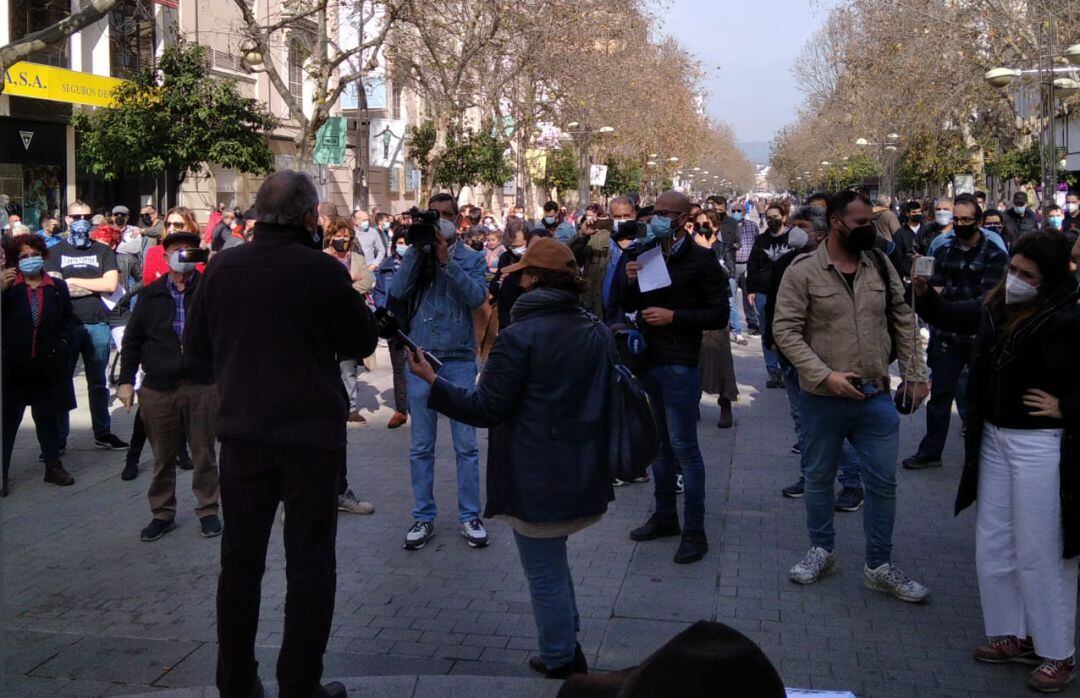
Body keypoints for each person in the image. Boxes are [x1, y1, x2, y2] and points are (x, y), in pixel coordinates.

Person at [185, 171, 376, 698]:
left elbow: (197, 350)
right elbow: (360, 338)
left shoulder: (222, 268)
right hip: (311, 440)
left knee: (240, 565)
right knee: (310, 565)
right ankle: (299, 683)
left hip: (244, 435)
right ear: (311, 218)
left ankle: (236, 683)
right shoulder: (321, 271)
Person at [406, 237, 613, 679]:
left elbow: (485, 409)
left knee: (544, 571)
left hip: (537, 473)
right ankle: (566, 643)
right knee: (553, 562)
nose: (515, 282)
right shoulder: (592, 328)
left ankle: (561, 658)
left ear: (537, 280)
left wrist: (432, 380)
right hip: (580, 468)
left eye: (522, 275)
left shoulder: (519, 338)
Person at [912, 231, 1080, 693]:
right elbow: (951, 314)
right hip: (994, 438)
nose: (1017, 279)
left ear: (1049, 279)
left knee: (1043, 549)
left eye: (1028, 274)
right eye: (1014, 269)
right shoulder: (997, 303)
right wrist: (925, 296)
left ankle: (1057, 653)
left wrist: (1068, 407)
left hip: (1042, 444)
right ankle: (1011, 634)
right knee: (996, 541)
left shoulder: (1070, 316)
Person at [773, 190, 931, 602]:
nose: (870, 229)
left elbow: (903, 320)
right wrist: (824, 376)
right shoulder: (803, 270)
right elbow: (785, 332)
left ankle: (879, 564)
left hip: (875, 397)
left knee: (883, 483)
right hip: (821, 398)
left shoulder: (879, 264)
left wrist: (916, 376)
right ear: (837, 222)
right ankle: (821, 550)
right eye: (861, 223)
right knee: (819, 478)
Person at [622, 191, 728, 565]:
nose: (658, 219)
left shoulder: (701, 260)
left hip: (680, 363)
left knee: (684, 447)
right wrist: (629, 278)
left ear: (685, 218)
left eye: (667, 214)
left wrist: (674, 317)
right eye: (655, 214)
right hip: (647, 360)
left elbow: (718, 314)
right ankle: (664, 515)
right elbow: (622, 302)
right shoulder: (643, 254)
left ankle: (694, 531)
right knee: (658, 445)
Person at [388, 192, 489, 551]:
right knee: (420, 447)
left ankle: (470, 515)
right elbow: (395, 294)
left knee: (466, 446)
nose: (441, 221)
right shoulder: (415, 254)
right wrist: (417, 253)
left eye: (446, 215)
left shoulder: (472, 258)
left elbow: (478, 298)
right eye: (434, 216)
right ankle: (423, 516)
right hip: (420, 359)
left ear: (459, 219)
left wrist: (449, 263)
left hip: (459, 361)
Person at [116, 225, 221, 543]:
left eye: (188, 250)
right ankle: (162, 513)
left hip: (202, 384)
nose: (182, 256)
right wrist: (125, 381)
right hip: (159, 387)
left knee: (204, 453)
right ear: (164, 256)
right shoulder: (151, 294)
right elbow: (133, 340)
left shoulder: (209, 291)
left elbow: (227, 336)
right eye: (176, 250)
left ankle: (208, 510)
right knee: (163, 456)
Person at [765, 206, 864, 510]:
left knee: (828, 426)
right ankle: (811, 476)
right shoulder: (787, 263)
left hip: (823, 361)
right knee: (804, 423)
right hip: (791, 357)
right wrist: (774, 343)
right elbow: (775, 310)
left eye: (803, 226)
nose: (796, 231)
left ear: (822, 233)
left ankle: (852, 482)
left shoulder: (838, 266)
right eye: (795, 225)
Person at [903, 198, 1008, 471]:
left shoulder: (994, 254)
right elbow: (931, 292)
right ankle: (930, 451)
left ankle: (982, 456)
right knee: (940, 397)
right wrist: (922, 289)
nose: (960, 224)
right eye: (956, 219)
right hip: (947, 339)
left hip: (980, 339)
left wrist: (942, 308)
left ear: (978, 221)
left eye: (966, 220)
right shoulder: (944, 251)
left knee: (977, 400)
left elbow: (985, 301)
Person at [44, 200, 128, 451]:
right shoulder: (55, 251)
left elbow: (111, 285)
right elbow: (56, 287)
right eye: (76, 216)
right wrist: (93, 282)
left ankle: (103, 432)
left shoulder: (103, 251)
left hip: (97, 324)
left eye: (86, 215)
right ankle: (59, 439)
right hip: (66, 326)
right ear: (67, 219)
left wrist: (70, 281)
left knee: (98, 383)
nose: (81, 220)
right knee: (62, 382)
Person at [2, 234, 79, 496]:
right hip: (13, 366)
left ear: (43, 255)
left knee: (47, 418)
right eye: (23, 256)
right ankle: (2, 473)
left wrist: (64, 343)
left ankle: (53, 467)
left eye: (34, 254)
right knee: (7, 421)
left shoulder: (56, 287)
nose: (30, 259)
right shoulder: (9, 288)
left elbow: (69, 320)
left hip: (47, 365)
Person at [324, 218, 376, 426]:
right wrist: (348, 281)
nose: (342, 240)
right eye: (338, 236)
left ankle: (351, 408)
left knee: (349, 367)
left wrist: (345, 291)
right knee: (328, 366)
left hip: (349, 321)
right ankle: (329, 406)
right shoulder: (323, 258)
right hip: (327, 320)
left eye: (346, 237)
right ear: (330, 238)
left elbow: (367, 281)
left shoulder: (356, 258)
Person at [693, 210, 738, 428]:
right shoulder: (690, 248)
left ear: (716, 227)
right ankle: (693, 402)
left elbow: (728, 272)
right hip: (693, 308)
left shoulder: (722, 247)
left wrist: (708, 252)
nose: (702, 228)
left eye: (707, 224)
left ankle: (725, 402)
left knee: (720, 357)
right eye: (698, 224)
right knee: (693, 357)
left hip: (716, 309)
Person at [746, 203, 792, 388]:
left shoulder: (793, 238)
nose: (772, 220)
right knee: (767, 331)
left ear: (784, 217)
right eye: (768, 216)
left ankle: (789, 369)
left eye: (776, 216)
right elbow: (752, 265)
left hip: (789, 293)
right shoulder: (761, 240)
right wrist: (751, 290)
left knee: (787, 331)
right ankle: (773, 371)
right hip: (764, 293)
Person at [570, 198, 630, 319]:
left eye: (627, 216)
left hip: (630, 315)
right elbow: (571, 258)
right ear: (610, 217)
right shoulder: (598, 238)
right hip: (599, 312)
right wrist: (582, 236)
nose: (622, 220)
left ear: (634, 215)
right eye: (618, 216)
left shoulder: (644, 241)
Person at [373, 229, 410, 430]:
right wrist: (384, 310)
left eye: (408, 243)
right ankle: (401, 409)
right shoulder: (386, 267)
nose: (404, 246)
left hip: (416, 322)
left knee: (420, 365)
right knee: (399, 368)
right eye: (401, 242)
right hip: (393, 324)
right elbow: (378, 292)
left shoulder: (420, 265)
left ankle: (424, 403)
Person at [491, 219, 529, 332]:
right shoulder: (505, 257)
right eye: (512, 246)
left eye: (519, 246)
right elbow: (494, 285)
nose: (515, 249)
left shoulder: (533, 258)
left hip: (526, 314)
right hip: (506, 314)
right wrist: (500, 282)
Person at [733, 203, 759, 334]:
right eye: (734, 210)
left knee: (748, 295)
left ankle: (753, 323)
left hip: (748, 265)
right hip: (732, 264)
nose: (736, 212)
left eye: (739, 210)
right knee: (730, 297)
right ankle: (732, 323)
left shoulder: (752, 226)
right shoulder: (728, 226)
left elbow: (757, 245)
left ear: (744, 211)